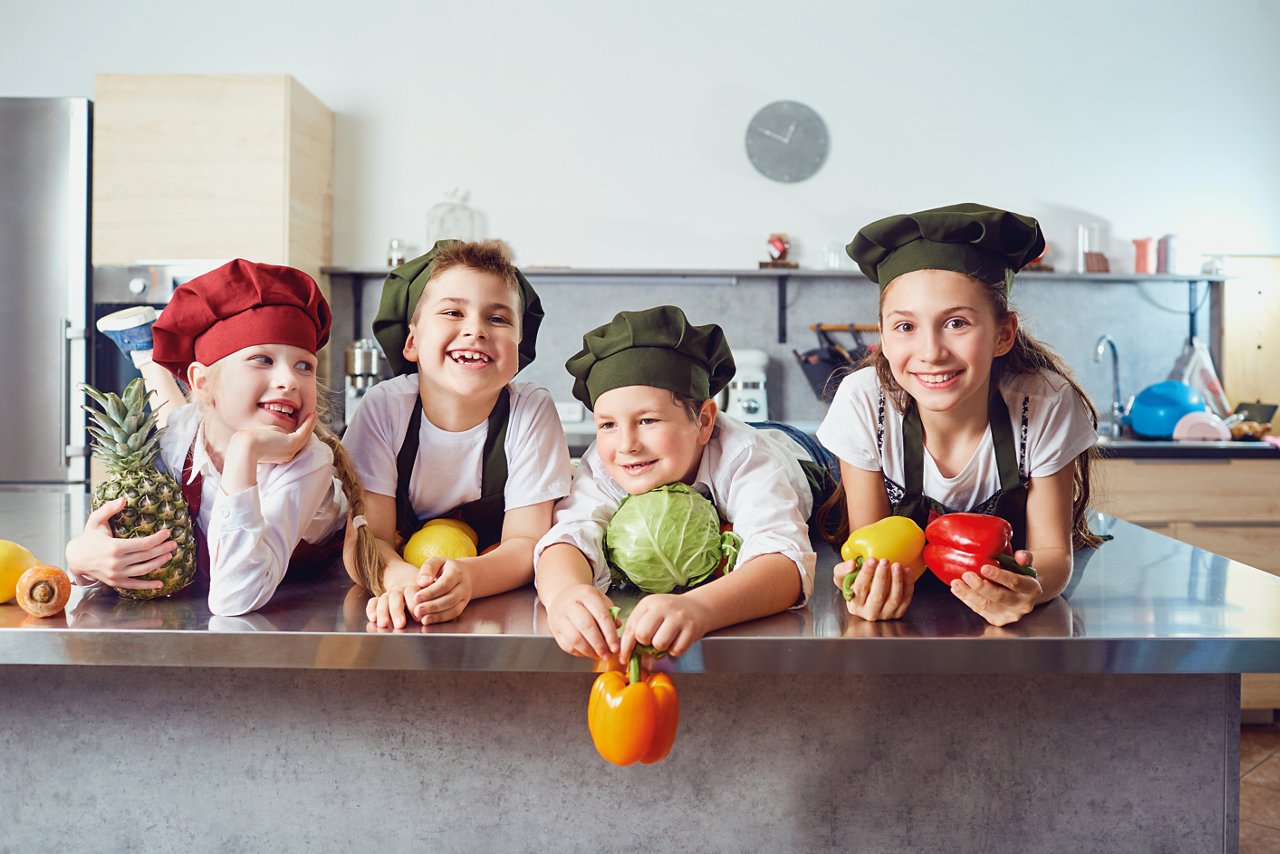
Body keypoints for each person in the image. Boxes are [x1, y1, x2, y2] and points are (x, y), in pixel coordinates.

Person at [817, 203, 1103, 627]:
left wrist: (1032, 588)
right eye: (905, 327)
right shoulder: (864, 401)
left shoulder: (1043, 403)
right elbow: (872, 543)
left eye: (956, 323)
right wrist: (866, 591)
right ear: (882, 335)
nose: (931, 353)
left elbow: (1051, 555)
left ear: (1003, 334)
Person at [535, 305, 843, 662]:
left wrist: (699, 608)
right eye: (607, 425)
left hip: (798, 456)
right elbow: (568, 534)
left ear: (705, 421)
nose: (626, 444)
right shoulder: (609, 461)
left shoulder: (745, 457)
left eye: (648, 420)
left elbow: (784, 562)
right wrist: (565, 595)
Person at [67, 259, 374, 616]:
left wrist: (246, 451)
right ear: (200, 381)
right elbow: (119, 532)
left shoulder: (309, 462)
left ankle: (146, 353)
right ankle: (146, 352)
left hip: (300, 609)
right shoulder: (179, 437)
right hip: (196, 412)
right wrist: (80, 558)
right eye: (262, 359)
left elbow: (234, 598)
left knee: (184, 417)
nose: (289, 380)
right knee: (177, 417)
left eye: (304, 365)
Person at [342, 239, 571, 628]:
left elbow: (526, 543)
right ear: (412, 342)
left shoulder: (529, 411)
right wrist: (401, 582)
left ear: (518, 350)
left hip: (494, 602)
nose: (475, 330)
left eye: (497, 319)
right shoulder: (384, 409)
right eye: (452, 312)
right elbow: (367, 537)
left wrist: (468, 578)